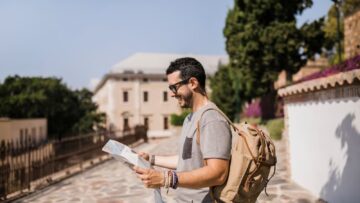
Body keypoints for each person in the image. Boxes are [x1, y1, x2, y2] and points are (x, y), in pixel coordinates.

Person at [133, 57, 232, 202]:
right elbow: (187, 161)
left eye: (174, 87)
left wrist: (166, 179)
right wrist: (151, 159)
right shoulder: (190, 118)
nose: (172, 93)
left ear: (192, 83)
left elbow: (218, 173)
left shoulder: (211, 119)